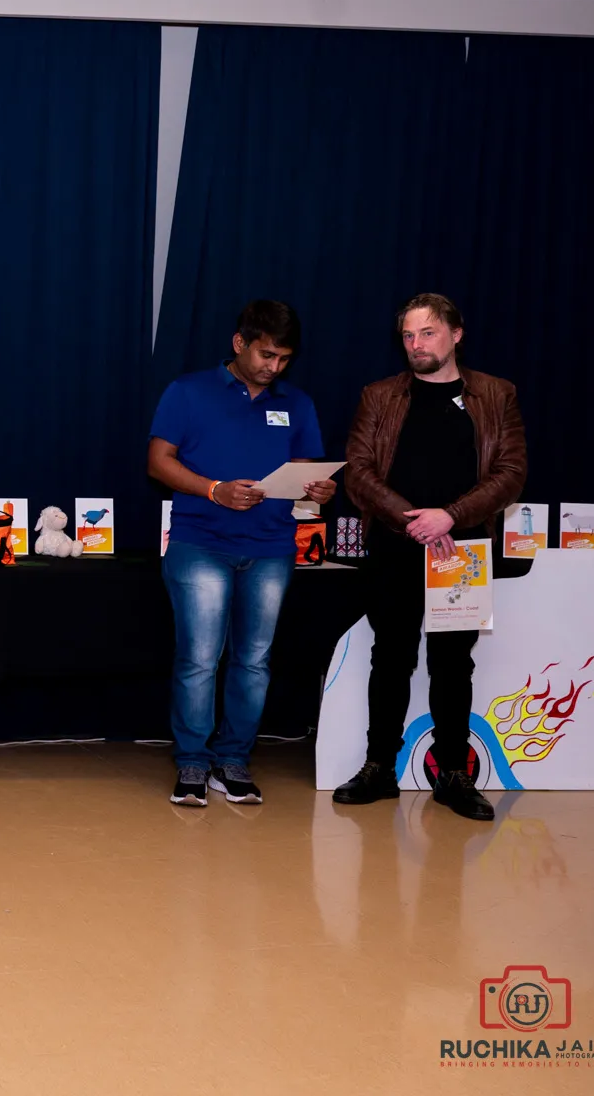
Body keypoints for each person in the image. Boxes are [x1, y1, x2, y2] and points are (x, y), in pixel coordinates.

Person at [333, 293, 526, 822]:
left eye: (428, 333)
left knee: (453, 663)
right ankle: (379, 767)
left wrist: (451, 517)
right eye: (408, 336)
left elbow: (511, 473)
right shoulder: (380, 396)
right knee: (390, 658)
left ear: (456, 334)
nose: (416, 345)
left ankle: (454, 773)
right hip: (395, 545)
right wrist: (412, 520)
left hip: (462, 550)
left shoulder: (496, 394)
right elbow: (358, 472)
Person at [147, 300, 339, 808]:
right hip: (200, 544)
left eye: (284, 359)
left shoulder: (297, 403)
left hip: (271, 548)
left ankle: (232, 760)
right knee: (199, 659)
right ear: (240, 343)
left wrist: (318, 490)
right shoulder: (188, 391)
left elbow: (306, 473)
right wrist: (214, 490)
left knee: (254, 661)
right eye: (266, 354)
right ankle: (192, 762)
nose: (274, 367)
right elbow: (158, 462)